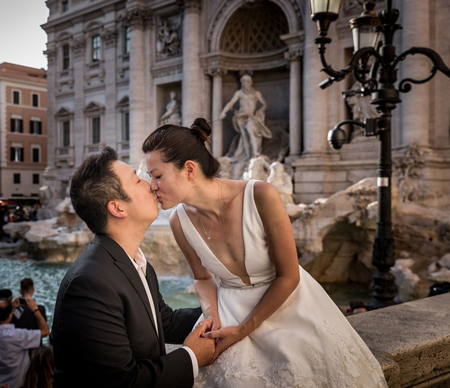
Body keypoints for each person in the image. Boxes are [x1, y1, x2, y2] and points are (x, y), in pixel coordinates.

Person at [142, 118, 388, 387]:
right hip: (228, 312)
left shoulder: (261, 195)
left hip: (290, 304)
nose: (151, 186)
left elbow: (288, 276)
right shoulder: (179, 221)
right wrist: (212, 315)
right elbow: (202, 279)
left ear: (189, 169)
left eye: (157, 176)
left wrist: (242, 330)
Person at [51, 147, 215, 388]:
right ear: (118, 208)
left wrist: (228, 308)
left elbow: (164, 322)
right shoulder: (89, 284)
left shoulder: (135, 262)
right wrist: (191, 356)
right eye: (138, 180)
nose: (151, 185)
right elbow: (124, 382)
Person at [0, 298, 49, 388]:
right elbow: (45, 331)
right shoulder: (18, 336)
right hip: (18, 385)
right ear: (10, 316)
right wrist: (35, 310)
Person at [219, 74, 272, 159]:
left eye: (246, 82)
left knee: (250, 129)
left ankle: (255, 152)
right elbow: (231, 103)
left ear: (250, 83)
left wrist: (260, 111)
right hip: (241, 116)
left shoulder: (256, 93)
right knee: (244, 136)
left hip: (251, 117)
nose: (244, 84)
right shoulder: (239, 93)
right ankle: (248, 154)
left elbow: (264, 104)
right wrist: (223, 112)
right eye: (242, 83)